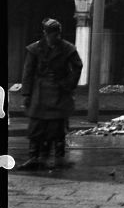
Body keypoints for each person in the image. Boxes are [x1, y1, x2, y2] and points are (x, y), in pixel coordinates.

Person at [20, 18, 84, 170]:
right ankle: (34, 157)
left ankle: (58, 158)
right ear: (45, 33)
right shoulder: (35, 49)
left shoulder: (67, 48)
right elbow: (28, 72)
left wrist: (68, 84)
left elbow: (77, 66)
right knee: (36, 127)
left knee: (57, 128)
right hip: (40, 93)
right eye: (51, 33)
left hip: (59, 92)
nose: (54, 36)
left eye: (56, 33)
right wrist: (27, 94)